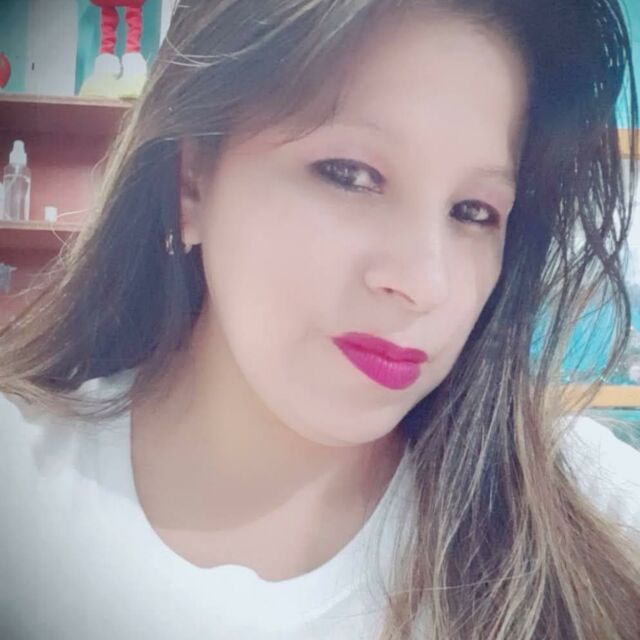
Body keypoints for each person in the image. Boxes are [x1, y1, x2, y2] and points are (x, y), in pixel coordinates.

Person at [1, 1, 639, 638]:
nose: (425, 284)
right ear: (192, 180)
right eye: (350, 175)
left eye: (474, 212)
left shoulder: (580, 504)